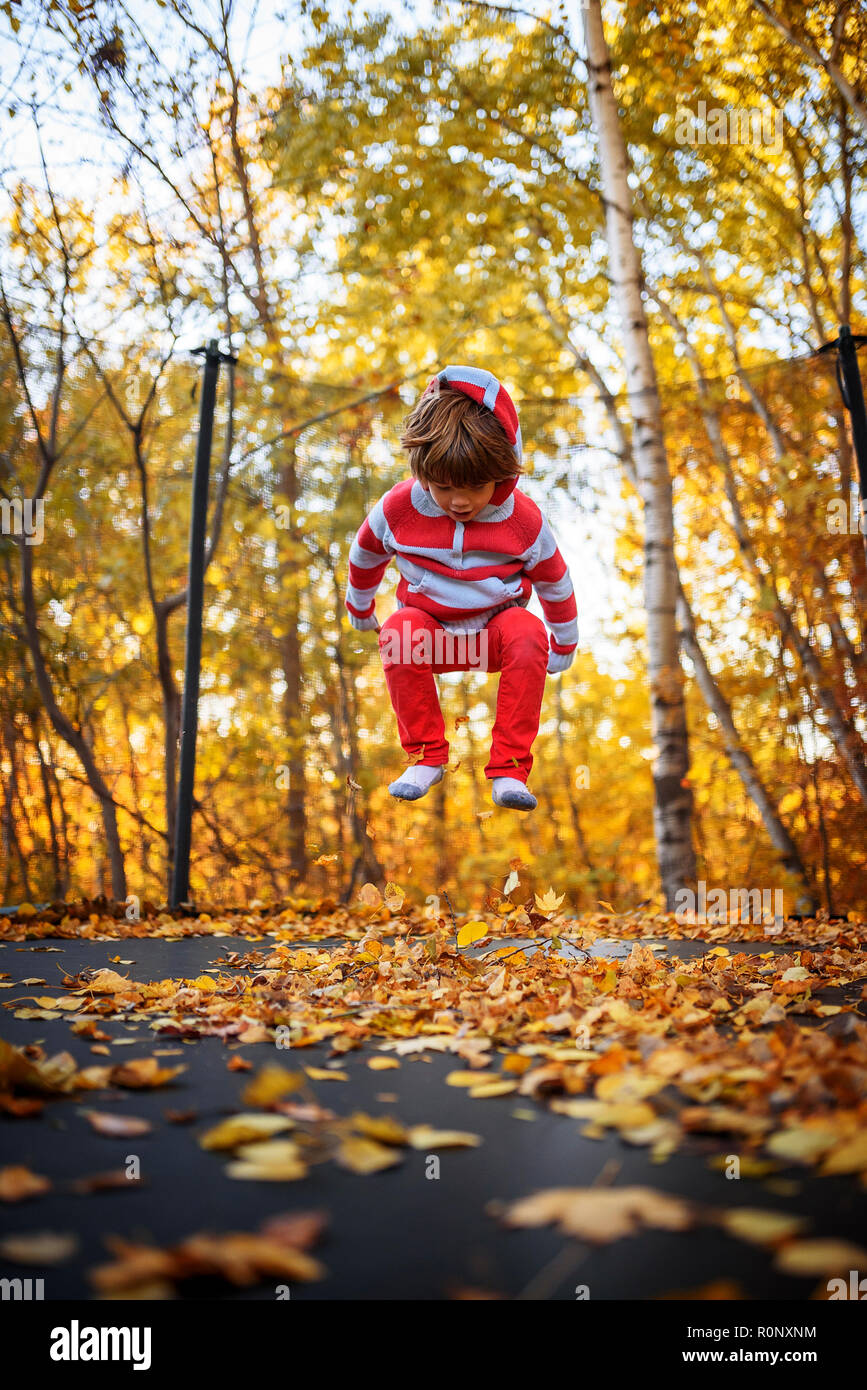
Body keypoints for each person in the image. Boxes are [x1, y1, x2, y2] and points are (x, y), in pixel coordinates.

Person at [345, 364, 577, 811]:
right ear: (423, 472)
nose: (459, 501)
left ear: (502, 473)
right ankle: (426, 757)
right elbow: (366, 552)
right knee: (398, 632)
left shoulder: (522, 519)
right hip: (431, 638)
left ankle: (509, 769)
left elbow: (554, 578)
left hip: (495, 637)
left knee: (529, 632)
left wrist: (564, 639)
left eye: (474, 487)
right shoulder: (400, 507)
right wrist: (360, 604)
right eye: (444, 487)